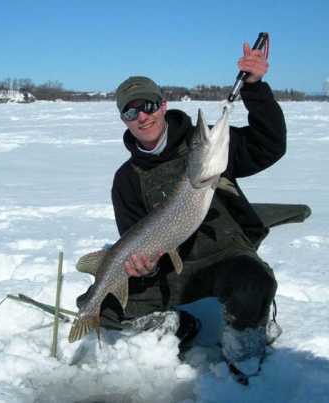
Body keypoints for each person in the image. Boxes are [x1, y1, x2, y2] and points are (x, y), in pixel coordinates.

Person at [77, 42, 287, 376]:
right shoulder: (126, 179)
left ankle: (244, 350)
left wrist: (255, 88)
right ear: (123, 119)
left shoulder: (206, 149)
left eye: (148, 105)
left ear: (162, 105)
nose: (142, 116)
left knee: (253, 282)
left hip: (224, 257)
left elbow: (269, 145)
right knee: (105, 306)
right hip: (171, 270)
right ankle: (178, 325)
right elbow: (133, 237)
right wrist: (143, 268)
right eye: (131, 112)